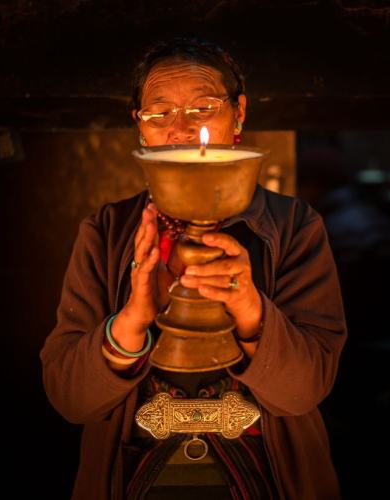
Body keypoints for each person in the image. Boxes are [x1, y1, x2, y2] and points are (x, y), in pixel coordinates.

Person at [40, 38, 347, 500]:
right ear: (139, 128)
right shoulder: (106, 230)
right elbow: (70, 400)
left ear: (238, 114)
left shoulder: (293, 227)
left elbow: (304, 393)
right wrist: (132, 319)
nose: (181, 131)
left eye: (203, 108)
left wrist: (250, 310)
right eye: (159, 114)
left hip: (265, 475)